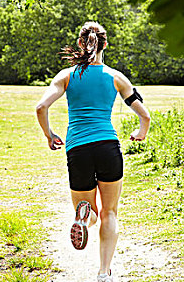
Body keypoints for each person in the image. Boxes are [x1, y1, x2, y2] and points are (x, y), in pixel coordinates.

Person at [35, 21, 151, 282]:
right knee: (110, 212)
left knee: (89, 210)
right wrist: (141, 132)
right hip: (108, 147)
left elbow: (41, 108)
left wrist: (49, 134)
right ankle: (103, 273)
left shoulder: (66, 76)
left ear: (80, 43)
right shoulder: (116, 77)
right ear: (105, 44)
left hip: (78, 150)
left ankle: (84, 221)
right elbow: (144, 113)